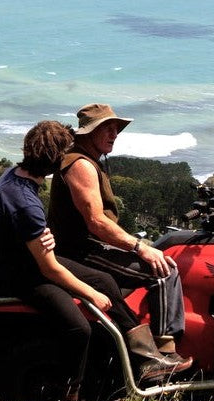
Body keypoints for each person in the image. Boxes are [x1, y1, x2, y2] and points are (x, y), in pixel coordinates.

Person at [0, 120, 189, 401]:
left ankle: (146, 358)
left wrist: (38, 235)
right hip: (17, 272)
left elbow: (21, 231)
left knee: (105, 280)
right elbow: (49, 268)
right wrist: (91, 294)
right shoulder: (25, 202)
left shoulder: (14, 176)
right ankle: (70, 395)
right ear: (55, 159)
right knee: (80, 327)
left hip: (19, 258)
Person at [48, 103, 191, 365]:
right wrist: (140, 247)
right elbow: (96, 222)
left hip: (86, 246)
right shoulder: (81, 165)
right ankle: (163, 355)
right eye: (107, 128)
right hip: (80, 250)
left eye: (116, 129)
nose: (114, 134)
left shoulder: (87, 160)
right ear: (89, 132)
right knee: (164, 272)